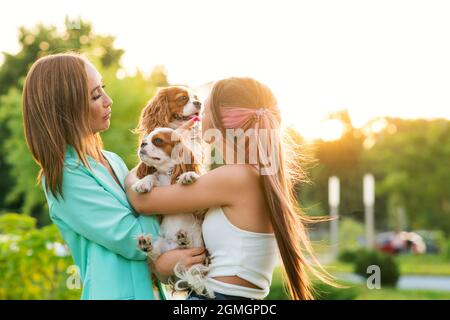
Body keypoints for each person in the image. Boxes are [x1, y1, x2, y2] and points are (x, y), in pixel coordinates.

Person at [125, 77, 334, 300]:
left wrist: (145, 160)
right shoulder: (253, 174)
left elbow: (142, 201)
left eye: (205, 105)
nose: (199, 111)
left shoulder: (235, 177)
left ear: (221, 118)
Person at [22, 53, 205, 300]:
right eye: (96, 95)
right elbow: (135, 240)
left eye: (103, 89)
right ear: (67, 108)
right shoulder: (66, 176)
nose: (108, 101)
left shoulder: (113, 160)